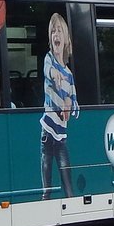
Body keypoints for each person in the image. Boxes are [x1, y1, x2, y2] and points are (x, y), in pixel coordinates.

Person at [41, 13, 79, 199]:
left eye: (59, 31)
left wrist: (72, 105)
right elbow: (47, 70)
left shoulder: (69, 74)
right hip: (48, 128)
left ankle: (70, 197)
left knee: (65, 167)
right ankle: (45, 195)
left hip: (61, 131)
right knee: (46, 162)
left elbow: (73, 98)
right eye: (53, 32)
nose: (56, 35)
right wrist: (54, 74)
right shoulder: (49, 60)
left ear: (66, 40)